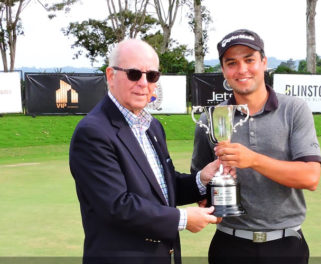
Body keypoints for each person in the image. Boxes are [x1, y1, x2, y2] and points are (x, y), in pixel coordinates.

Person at [69, 39, 222, 264]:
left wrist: (202, 179)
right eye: (133, 74)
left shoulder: (153, 126)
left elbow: (162, 190)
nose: (144, 83)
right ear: (111, 76)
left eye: (151, 76)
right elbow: (116, 206)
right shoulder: (93, 132)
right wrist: (182, 218)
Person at [191, 29, 321, 264]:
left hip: (286, 245)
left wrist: (252, 160)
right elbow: (200, 186)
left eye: (249, 60)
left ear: (264, 62)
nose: (242, 70)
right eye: (232, 63)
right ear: (223, 70)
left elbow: (310, 177)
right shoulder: (212, 118)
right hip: (228, 246)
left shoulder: (294, 109)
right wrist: (213, 196)